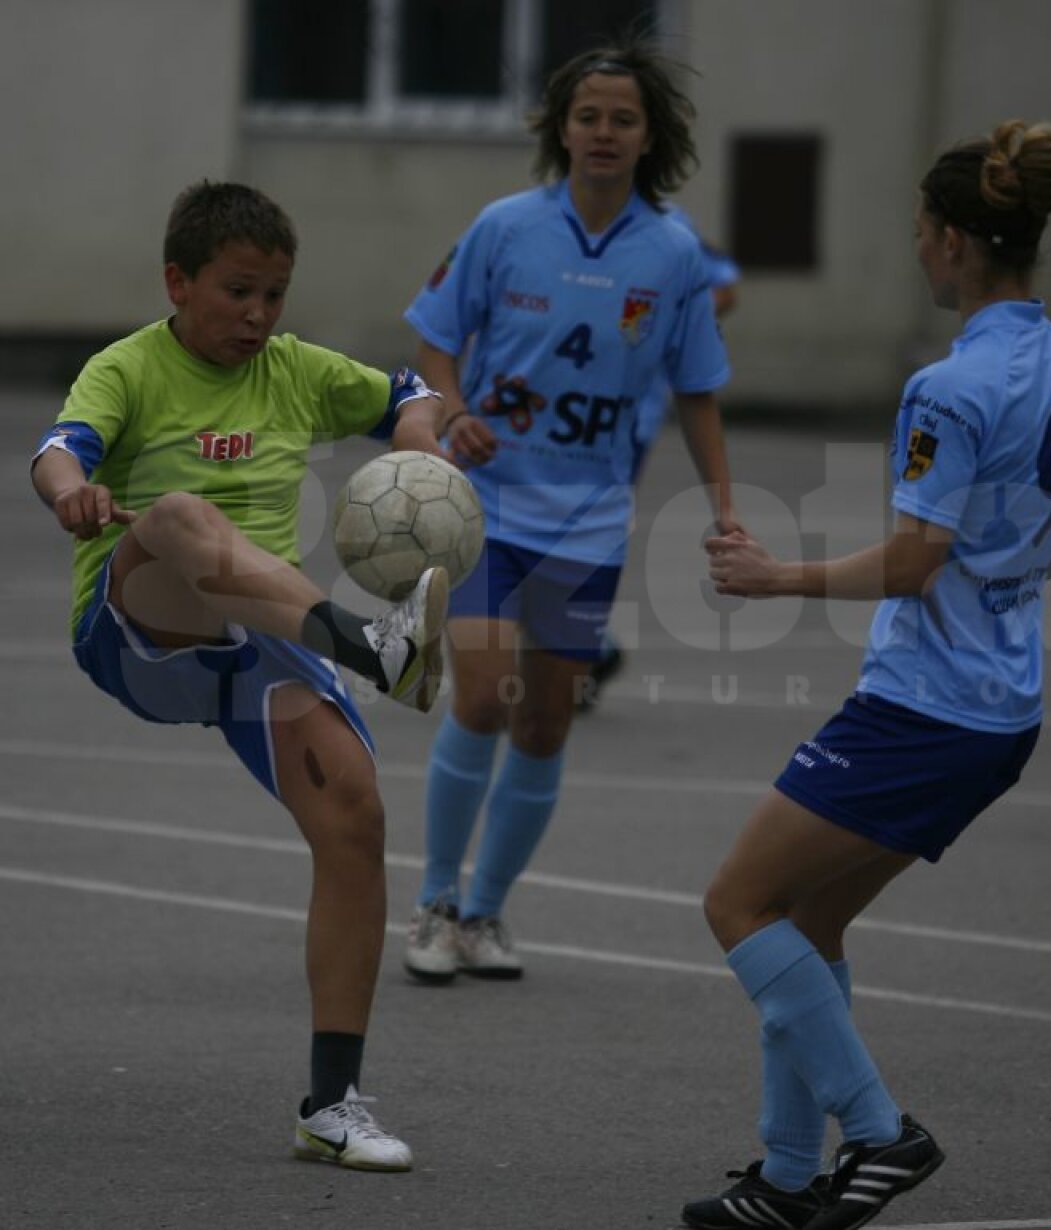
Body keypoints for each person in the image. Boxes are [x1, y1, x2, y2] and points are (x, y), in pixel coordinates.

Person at [681, 120, 1051, 1230]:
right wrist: (1019, 574)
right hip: (1000, 714)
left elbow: (911, 560)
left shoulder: (949, 385)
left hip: (925, 710)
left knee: (738, 903)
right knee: (809, 920)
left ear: (949, 242)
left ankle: (882, 1136)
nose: (918, 251)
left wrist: (772, 576)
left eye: (918, 235)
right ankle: (791, 1181)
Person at [31, 181, 454, 1171]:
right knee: (179, 515)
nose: (259, 318)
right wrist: (71, 494)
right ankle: (371, 643)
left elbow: (409, 392)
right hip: (145, 627)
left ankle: (334, 1104)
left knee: (356, 822)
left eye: (274, 295)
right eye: (237, 293)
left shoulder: (295, 369)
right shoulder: (126, 368)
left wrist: (421, 442)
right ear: (178, 282)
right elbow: (59, 449)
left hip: (263, 649)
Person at [400, 38, 738, 982]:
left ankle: (486, 914)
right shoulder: (506, 226)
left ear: (648, 136)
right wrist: (456, 412)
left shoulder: (674, 255)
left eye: (621, 118)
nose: (601, 132)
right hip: (488, 509)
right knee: (479, 694)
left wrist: (724, 507)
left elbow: (700, 388)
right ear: (562, 127)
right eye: (586, 115)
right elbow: (431, 340)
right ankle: (431, 902)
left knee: (546, 723)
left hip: (587, 524)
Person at [577, 203, 741, 711]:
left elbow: (727, 285)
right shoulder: (547, 219)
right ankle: (582, 647)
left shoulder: (673, 231)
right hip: (549, 414)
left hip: (625, 420)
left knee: (588, 531)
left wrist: (669, 324)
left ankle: (584, 648)